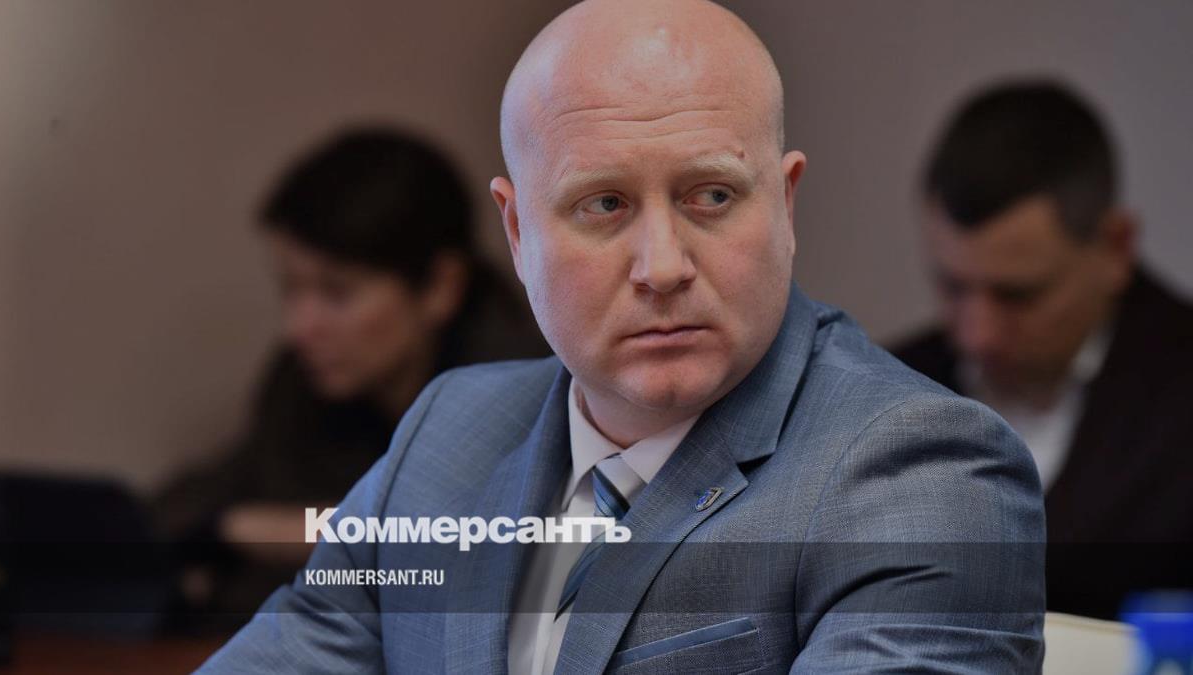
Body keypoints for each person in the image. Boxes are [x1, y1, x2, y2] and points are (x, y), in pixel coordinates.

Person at [201, 1, 1045, 671]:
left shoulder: (922, 476)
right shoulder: (445, 432)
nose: (663, 266)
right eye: (603, 204)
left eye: (711, 196)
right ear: (518, 232)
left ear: (785, 206)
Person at [154, 128, 549, 625]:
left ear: (440, 287)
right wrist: (240, 526)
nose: (299, 328)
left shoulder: (528, 385)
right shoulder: (304, 382)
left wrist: (273, 530)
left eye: (336, 293)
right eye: (291, 290)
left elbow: (471, 544)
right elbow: (189, 505)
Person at [894, 81, 1193, 619]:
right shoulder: (888, 383)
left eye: (1019, 296)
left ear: (1116, 246)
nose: (977, 335)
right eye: (953, 288)